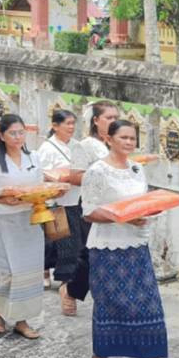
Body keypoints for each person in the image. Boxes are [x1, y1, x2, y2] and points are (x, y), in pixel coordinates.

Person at [80, 118, 176, 358]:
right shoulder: (97, 171)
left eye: (133, 138)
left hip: (137, 242)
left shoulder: (136, 168)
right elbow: (88, 211)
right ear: (108, 139)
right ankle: (101, 355)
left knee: (147, 299)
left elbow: (140, 202)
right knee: (110, 300)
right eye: (123, 137)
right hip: (107, 246)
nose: (129, 142)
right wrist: (121, 218)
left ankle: (151, 357)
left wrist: (149, 212)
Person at [0, 113, 47, 339]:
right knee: (12, 271)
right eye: (12, 133)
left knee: (30, 271)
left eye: (21, 132)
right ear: (1, 136)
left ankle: (20, 319)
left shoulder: (33, 158)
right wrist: (2, 199)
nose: (17, 137)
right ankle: (0, 310)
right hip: (5, 219)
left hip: (30, 218)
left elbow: (40, 185)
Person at [64, 101, 119, 304]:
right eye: (108, 117)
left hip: (114, 203)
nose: (113, 121)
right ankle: (71, 290)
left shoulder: (116, 142)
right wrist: (101, 177)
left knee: (112, 249)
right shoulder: (86, 145)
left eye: (116, 117)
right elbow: (74, 176)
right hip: (92, 203)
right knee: (90, 252)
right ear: (96, 120)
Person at [34, 108, 81, 315]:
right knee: (59, 241)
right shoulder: (47, 148)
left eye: (73, 123)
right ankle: (62, 279)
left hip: (74, 200)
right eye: (67, 123)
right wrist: (56, 185)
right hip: (55, 201)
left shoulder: (77, 146)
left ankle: (61, 276)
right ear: (55, 126)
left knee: (69, 241)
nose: (71, 127)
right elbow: (42, 174)